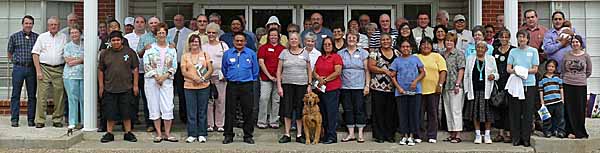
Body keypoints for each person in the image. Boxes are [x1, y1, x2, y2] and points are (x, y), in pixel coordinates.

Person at [98, 31, 140, 143]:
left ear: (122, 40)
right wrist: (101, 86)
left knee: (127, 112)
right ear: (110, 42)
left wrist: (135, 85)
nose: (116, 42)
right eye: (113, 40)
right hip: (109, 88)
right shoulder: (105, 53)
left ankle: (128, 133)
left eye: (118, 40)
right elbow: (101, 70)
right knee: (110, 112)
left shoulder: (130, 52)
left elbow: (135, 69)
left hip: (126, 87)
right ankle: (109, 133)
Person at [222, 33, 260, 144]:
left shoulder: (251, 53)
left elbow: (255, 70)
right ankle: (228, 135)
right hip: (232, 85)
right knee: (230, 111)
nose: (239, 43)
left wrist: (249, 79)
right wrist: (230, 77)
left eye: (241, 41)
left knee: (248, 111)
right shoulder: (227, 54)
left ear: (245, 42)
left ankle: (248, 135)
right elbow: (224, 69)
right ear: (233, 42)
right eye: (237, 41)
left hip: (246, 85)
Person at [276, 32, 312, 143]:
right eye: (291, 39)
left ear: (299, 40)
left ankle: (299, 134)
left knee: (300, 109)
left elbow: (309, 70)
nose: (293, 41)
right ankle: (286, 134)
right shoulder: (284, 53)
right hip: (287, 85)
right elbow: (278, 71)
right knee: (287, 109)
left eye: (295, 39)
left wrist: (309, 85)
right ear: (289, 40)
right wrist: (279, 86)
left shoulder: (305, 53)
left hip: (302, 85)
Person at [32, 16, 68, 128]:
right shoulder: (42, 37)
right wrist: (38, 71)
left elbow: (67, 52)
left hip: (59, 69)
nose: (53, 26)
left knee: (59, 95)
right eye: (51, 24)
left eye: (56, 24)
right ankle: (40, 120)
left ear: (59, 25)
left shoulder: (63, 37)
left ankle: (57, 119)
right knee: (42, 95)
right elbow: (35, 54)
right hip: (44, 68)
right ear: (48, 26)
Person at [506, 30, 539, 147]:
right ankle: (516, 137)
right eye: (520, 37)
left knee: (527, 112)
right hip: (516, 84)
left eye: (524, 37)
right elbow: (508, 69)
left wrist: (523, 71)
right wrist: (517, 71)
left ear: (528, 39)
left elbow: (535, 69)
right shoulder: (513, 51)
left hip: (529, 85)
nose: (522, 39)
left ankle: (526, 138)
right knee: (515, 111)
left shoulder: (533, 51)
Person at [391, 40, 425, 146]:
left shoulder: (415, 58)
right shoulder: (397, 61)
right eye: (403, 46)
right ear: (400, 48)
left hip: (415, 91)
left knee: (413, 114)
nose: (405, 48)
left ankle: (411, 136)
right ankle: (404, 135)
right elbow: (392, 75)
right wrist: (398, 88)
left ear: (411, 48)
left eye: (407, 46)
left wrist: (416, 81)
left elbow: (423, 72)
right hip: (401, 91)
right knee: (403, 114)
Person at [464, 41, 498, 144]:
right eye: (478, 47)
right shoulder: (470, 59)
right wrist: (466, 90)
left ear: (486, 49)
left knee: (488, 114)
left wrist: (493, 76)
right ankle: (478, 134)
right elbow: (466, 75)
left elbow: (497, 74)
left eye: (482, 48)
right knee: (475, 114)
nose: (480, 49)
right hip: (474, 90)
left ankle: (487, 135)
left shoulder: (491, 59)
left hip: (487, 90)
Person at [137, 16, 168, 130]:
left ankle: (163, 124)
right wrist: (144, 48)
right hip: (150, 74)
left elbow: (171, 49)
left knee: (163, 101)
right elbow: (139, 54)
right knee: (148, 99)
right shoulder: (144, 37)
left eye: (156, 23)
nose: (154, 25)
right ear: (148, 25)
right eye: (151, 23)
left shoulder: (167, 35)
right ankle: (150, 123)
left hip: (164, 74)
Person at [182, 34, 214, 143]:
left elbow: (210, 69)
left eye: (196, 41)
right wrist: (194, 78)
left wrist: (203, 78)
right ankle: (192, 134)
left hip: (203, 86)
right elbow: (184, 71)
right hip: (189, 86)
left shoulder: (205, 54)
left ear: (199, 43)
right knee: (191, 111)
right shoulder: (185, 56)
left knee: (202, 111)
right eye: (192, 42)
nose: (194, 44)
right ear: (189, 44)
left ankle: (202, 133)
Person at [339, 32, 370, 143]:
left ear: (357, 40)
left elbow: (367, 70)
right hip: (345, 86)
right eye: (349, 38)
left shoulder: (363, 53)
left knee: (359, 109)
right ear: (346, 39)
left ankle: (360, 133)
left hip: (359, 86)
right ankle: (351, 133)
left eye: (354, 38)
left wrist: (367, 85)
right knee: (348, 109)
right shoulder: (341, 53)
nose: (351, 39)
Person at [368, 33, 399, 143]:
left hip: (393, 87)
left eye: (387, 39)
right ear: (380, 41)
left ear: (391, 41)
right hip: (378, 87)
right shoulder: (374, 53)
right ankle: (379, 135)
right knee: (378, 112)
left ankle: (390, 135)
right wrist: (384, 70)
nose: (385, 41)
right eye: (383, 40)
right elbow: (371, 67)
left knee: (391, 112)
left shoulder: (396, 52)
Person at [7, 15, 38, 127]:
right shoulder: (14, 37)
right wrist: (15, 62)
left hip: (31, 69)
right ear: (23, 24)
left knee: (32, 95)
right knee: (15, 95)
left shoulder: (37, 37)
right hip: (18, 68)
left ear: (32, 25)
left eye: (30, 23)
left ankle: (31, 119)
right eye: (26, 23)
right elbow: (9, 53)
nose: (28, 25)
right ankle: (14, 119)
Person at [415, 37, 447, 143]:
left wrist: (440, 84)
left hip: (433, 90)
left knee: (433, 114)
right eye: (423, 44)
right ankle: (418, 135)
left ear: (432, 46)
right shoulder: (415, 57)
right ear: (420, 46)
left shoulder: (437, 56)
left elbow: (443, 71)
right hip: (418, 90)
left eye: (428, 44)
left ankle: (432, 135)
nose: (426, 46)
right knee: (419, 114)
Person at [313, 37, 343, 144]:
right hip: (320, 90)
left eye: (329, 44)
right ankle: (324, 135)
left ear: (333, 45)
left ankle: (332, 136)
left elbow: (338, 72)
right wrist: (319, 78)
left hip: (332, 89)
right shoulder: (320, 57)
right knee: (323, 113)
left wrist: (325, 80)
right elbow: (314, 71)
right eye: (325, 44)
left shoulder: (336, 57)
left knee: (331, 113)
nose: (327, 46)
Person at [561, 35, 591, 139]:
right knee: (569, 108)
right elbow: (563, 70)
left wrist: (580, 78)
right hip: (568, 84)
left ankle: (580, 131)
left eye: (577, 42)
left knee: (580, 108)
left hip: (581, 85)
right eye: (573, 42)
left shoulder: (586, 56)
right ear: (571, 44)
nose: (575, 44)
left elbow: (589, 71)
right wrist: (569, 77)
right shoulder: (566, 55)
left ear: (580, 43)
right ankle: (569, 131)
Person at [124, 16, 151, 129]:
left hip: (147, 73)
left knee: (148, 99)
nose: (139, 24)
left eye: (142, 22)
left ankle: (149, 123)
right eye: (137, 22)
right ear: (134, 24)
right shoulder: (127, 38)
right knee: (132, 100)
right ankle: (132, 123)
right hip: (131, 73)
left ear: (145, 24)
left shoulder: (150, 37)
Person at [168, 14, 193, 125]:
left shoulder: (189, 33)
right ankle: (169, 116)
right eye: (176, 20)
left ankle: (184, 116)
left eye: (180, 20)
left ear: (184, 21)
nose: (178, 21)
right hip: (169, 67)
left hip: (182, 65)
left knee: (182, 92)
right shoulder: (168, 32)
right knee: (169, 92)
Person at [203, 23, 228, 132]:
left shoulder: (223, 45)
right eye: (209, 33)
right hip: (207, 77)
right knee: (209, 101)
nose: (211, 35)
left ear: (217, 33)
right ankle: (209, 124)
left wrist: (226, 74)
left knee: (221, 101)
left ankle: (220, 124)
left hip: (220, 76)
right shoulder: (203, 46)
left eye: (213, 33)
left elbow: (227, 61)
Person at [491, 29, 515, 143]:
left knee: (508, 108)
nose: (504, 39)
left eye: (506, 37)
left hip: (510, 82)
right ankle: (500, 133)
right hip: (498, 82)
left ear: (509, 38)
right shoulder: (495, 51)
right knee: (498, 107)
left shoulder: (513, 50)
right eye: (502, 37)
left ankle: (508, 133)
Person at [257, 29, 285, 129]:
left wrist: (279, 77)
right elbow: (261, 62)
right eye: (271, 35)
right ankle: (262, 121)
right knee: (264, 99)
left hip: (278, 79)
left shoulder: (283, 49)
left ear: (279, 37)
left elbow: (285, 64)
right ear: (268, 37)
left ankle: (274, 121)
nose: (273, 37)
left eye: (275, 35)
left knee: (276, 100)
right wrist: (269, 76)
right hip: (265, 78)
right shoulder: (263, 48)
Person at [441, 33, 465, 143]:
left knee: (456, 110)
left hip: (456, 85)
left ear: (454, 42)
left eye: (451, 41)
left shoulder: (459, 54)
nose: (449, 42)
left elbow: (461, 69)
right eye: (447, 40)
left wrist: (457, 84)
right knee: (448, 110)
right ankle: (451, 133)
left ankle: (458, 134)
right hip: (445, 86)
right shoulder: (442, 54)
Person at [63, 24, 84, 130]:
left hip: (83, 76)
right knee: (72, 99)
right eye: (72, 33)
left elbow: (87, 58)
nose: (74, 34)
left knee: (83, 99)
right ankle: (73, 121)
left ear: (80, 33)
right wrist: (81, 59)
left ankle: (84, 121)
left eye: (76, 32)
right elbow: (68, 61)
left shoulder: (84, 45)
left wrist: (75, 59)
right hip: (70, 76)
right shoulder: (67, 46)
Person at [538, 59, 566, 138]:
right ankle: (547, 131)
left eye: (552, 67)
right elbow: (541, 91)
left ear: (555, 68)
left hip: (558, 101)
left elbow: (561, 89)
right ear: (546, 67)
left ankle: (561, 131)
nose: (550, 68)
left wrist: (562, 99)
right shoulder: (542, 79)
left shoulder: (557, 78)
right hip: (547, 102)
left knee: (560, 118)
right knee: (547, 118)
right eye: (549, 66)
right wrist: (542, 101)